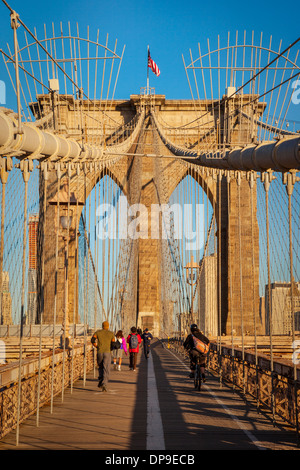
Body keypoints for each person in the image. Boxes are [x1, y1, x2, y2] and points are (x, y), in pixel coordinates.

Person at [91, 321, 115, 392]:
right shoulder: (111, 334)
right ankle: (104, 383)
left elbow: (92, 340)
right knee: (106, 368)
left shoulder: (97, 332)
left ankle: (101, 379)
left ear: (102, 326)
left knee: (100, 367)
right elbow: (113, 344)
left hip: (99, 352)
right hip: (107, 352)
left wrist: (97, 346)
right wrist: (110, 348)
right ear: (108, 326)